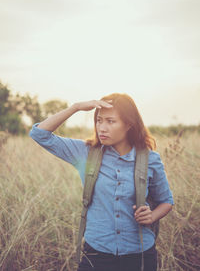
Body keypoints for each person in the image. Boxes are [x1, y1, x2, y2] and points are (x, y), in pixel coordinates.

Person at [29, 93, 174, 271]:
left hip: (139, 255)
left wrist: (152, 216)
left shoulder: (150, 159)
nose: (102, 128)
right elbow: (39, 134)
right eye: (99, 120)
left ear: (129, 124)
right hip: (96, 254)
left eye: (110, 121)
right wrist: (75, 107)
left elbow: (166, 201)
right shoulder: (86, 153)